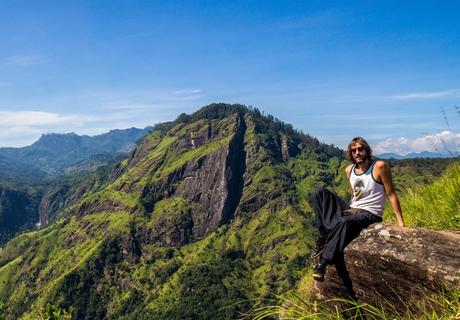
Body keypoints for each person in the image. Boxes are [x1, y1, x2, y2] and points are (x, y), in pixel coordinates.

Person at [309, 137, 404, 294]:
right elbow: (353, 194)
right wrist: (345, 209)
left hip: (370, 213)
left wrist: (401, 224)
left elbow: (391, 194)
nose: (357, 153)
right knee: (320, 193)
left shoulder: (379, 167)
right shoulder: (349, 170)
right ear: (350, 153)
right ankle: (323, 234)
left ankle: (322, 263)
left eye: (360, 149)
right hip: (353, 209)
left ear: (366, 150)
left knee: (343, 221)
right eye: (353, 151)